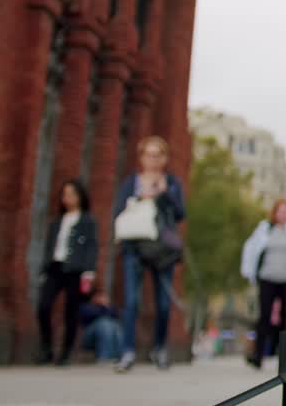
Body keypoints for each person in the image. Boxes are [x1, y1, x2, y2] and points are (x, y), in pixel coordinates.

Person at [112, 136, 186, 373]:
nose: (153, 160)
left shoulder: (171, 182)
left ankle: (159, 348)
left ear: (164, 158)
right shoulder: (131, 182)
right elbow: (118, 210)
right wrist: (139, 199)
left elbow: (180, 213)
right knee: (131, 301)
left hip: (161, 247)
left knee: (164, 304)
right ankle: (127, 351)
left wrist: (164, 195)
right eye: (148, 154)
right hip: (134, 245)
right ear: (141, 157)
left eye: (157, 155)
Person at [240, 199, 286, 369]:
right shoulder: (265, 229)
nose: (283, 214)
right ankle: (258, 355)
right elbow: (251, 250)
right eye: (279, 211)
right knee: (264, 316)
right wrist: (249, 272)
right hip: (267, 277)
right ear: (274, 213)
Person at [36, 180, 99, 366]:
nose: (68, 198)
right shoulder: (57, 222)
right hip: (55, 267)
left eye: (72, 193)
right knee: (44, 306)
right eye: (65, 194)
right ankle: (46, 348)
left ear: (80, 196)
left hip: (76, 269)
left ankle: (65, 353)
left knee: (71, 312)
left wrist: (89, 271)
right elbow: (49, 247)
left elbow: (91, 247)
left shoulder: (87, 221)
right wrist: (44, 269)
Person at [80, 291, 122, 363]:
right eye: (99, 297)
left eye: (103, 297)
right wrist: (102, 307)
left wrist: (105, 307)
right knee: (104, 323)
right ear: (93, 298)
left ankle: (119, 356)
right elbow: (91, 314)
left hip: (109, 333)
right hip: (88, 338)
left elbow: (116, 314)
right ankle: (104, 357)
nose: (102, 299)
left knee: (115, 325)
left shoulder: (109, 308)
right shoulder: (87, 307)